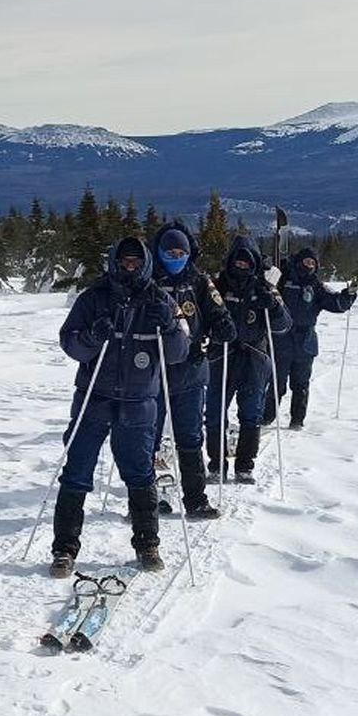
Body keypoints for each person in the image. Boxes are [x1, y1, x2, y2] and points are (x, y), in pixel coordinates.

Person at [50, 236, 190, 577]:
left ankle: (147, 544)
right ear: (114, 262)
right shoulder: (93, 298)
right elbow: (70, 343)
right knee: (77, 471)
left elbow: (179, 353)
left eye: (135, 262)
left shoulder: (160, 299)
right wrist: (92, 338)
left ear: (144, 264)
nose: (129, 267)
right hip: (94, 396)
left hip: (139, 401)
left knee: (140, 474)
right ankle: (64, 549)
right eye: (124, 261)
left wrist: (170, 327)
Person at [150, 222, 236, 519]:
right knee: (146, 437)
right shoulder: (148, 280)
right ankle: (146, 501)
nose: (175, 257)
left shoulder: (200, 282)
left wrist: (221, 331)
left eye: (180, 252)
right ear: (158, 252)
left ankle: (196, 498)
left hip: (190, 371)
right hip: (152, 373)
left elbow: (219, 314)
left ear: (188, 253)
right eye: (169, 252)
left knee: (190, 437)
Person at [206, 236, 291, 483]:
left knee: (251, 413)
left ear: (254, 264)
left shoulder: (264, 287)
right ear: (231, 261)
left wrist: (273, 307)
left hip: (254, 356)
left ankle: (245, 465)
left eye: (247, 263)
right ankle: (216, 463)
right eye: (238, 263)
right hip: (221, 354)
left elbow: (284, 325)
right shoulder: (218, 285)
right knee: (214, 412)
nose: (242, 268)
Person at [267, 246, 357, 430]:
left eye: (312, 263)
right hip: (282, 339)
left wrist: (348, 296)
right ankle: (266, 417)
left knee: (300, 384)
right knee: (277, 383)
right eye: (306, 261)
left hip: (305, 341)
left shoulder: (317, 286)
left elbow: (335, 303)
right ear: (299, 261)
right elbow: (267, 288)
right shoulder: (285, 278)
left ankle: (297, 420)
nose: (309, 266)